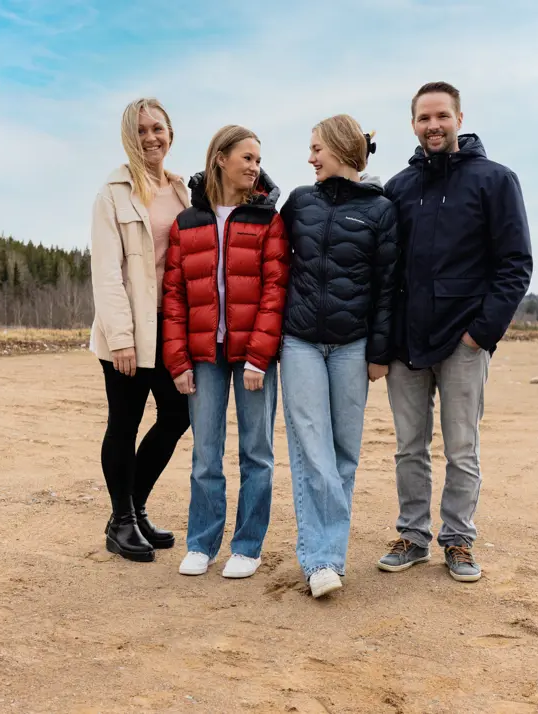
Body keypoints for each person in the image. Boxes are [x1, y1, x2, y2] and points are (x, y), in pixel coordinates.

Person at [377, 82, 533, 582]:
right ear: (413, 125)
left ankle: (458, 539)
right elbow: (386, 268)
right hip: (407, 342)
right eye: (424, 118)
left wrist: (479, 334)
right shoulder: (398, 188)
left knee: (462, 448)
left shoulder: (495, 180)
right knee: (409, 447)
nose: (433, 126)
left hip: (464, 341)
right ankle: (413, 536)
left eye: (442, 116)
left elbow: (515, 265)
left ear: (460, 118)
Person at [279, 115, 398, 598]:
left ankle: (330, 555)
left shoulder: (381, 210)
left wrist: (379, 351)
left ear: (343, 150)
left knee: (344, 453)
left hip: (353, 345)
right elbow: (271, 252)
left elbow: (389, 288)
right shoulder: (299, 201)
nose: (309, 158)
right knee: (313, 449)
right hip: (300, 340)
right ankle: (320, 561)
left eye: (316, 149)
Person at [162, 125, 289, 579]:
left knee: (257, 452)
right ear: (221, 158)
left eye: (258, 159)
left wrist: (259, 356)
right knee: (205, 453)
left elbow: (276, 291)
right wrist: (177, 361)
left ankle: (248, 547)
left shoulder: (268, 219)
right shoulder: (188, 222)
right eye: (247, 158)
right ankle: (201, 543)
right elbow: (174, 295)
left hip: (252, 356)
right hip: (202, 354)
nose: (255, 167)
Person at [89, 97, 191, 563]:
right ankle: (121, 522)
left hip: (170, 327)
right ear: (130, 136)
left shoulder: (182, 189)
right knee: (124, 423)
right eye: (142, 130)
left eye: (159, 128)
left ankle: (136, 505)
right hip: (127, 332)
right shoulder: (112, 193)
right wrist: (122, 338)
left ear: (170, 131)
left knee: (176, 415)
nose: (152, 137)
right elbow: (107, 272)